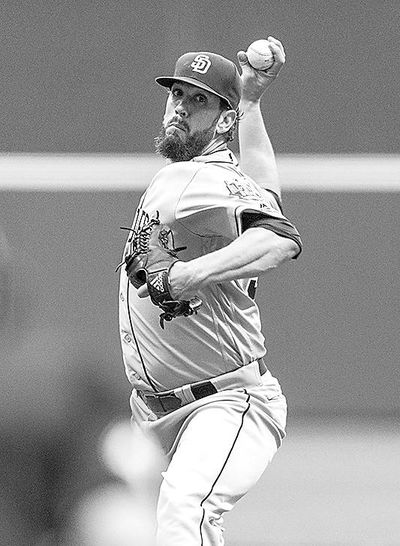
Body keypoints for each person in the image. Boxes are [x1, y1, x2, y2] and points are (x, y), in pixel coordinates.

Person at [118, 36, 302, 546]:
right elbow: (269, 196)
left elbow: (279, 237)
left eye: (199, 100)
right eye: (177, 95)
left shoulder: (200, 179)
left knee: (186, 511)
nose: (180, 107)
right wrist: (252, 103)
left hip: (224, 402)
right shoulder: (206, 177)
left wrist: (187, 276)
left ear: (222, 123)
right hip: (155, 413)